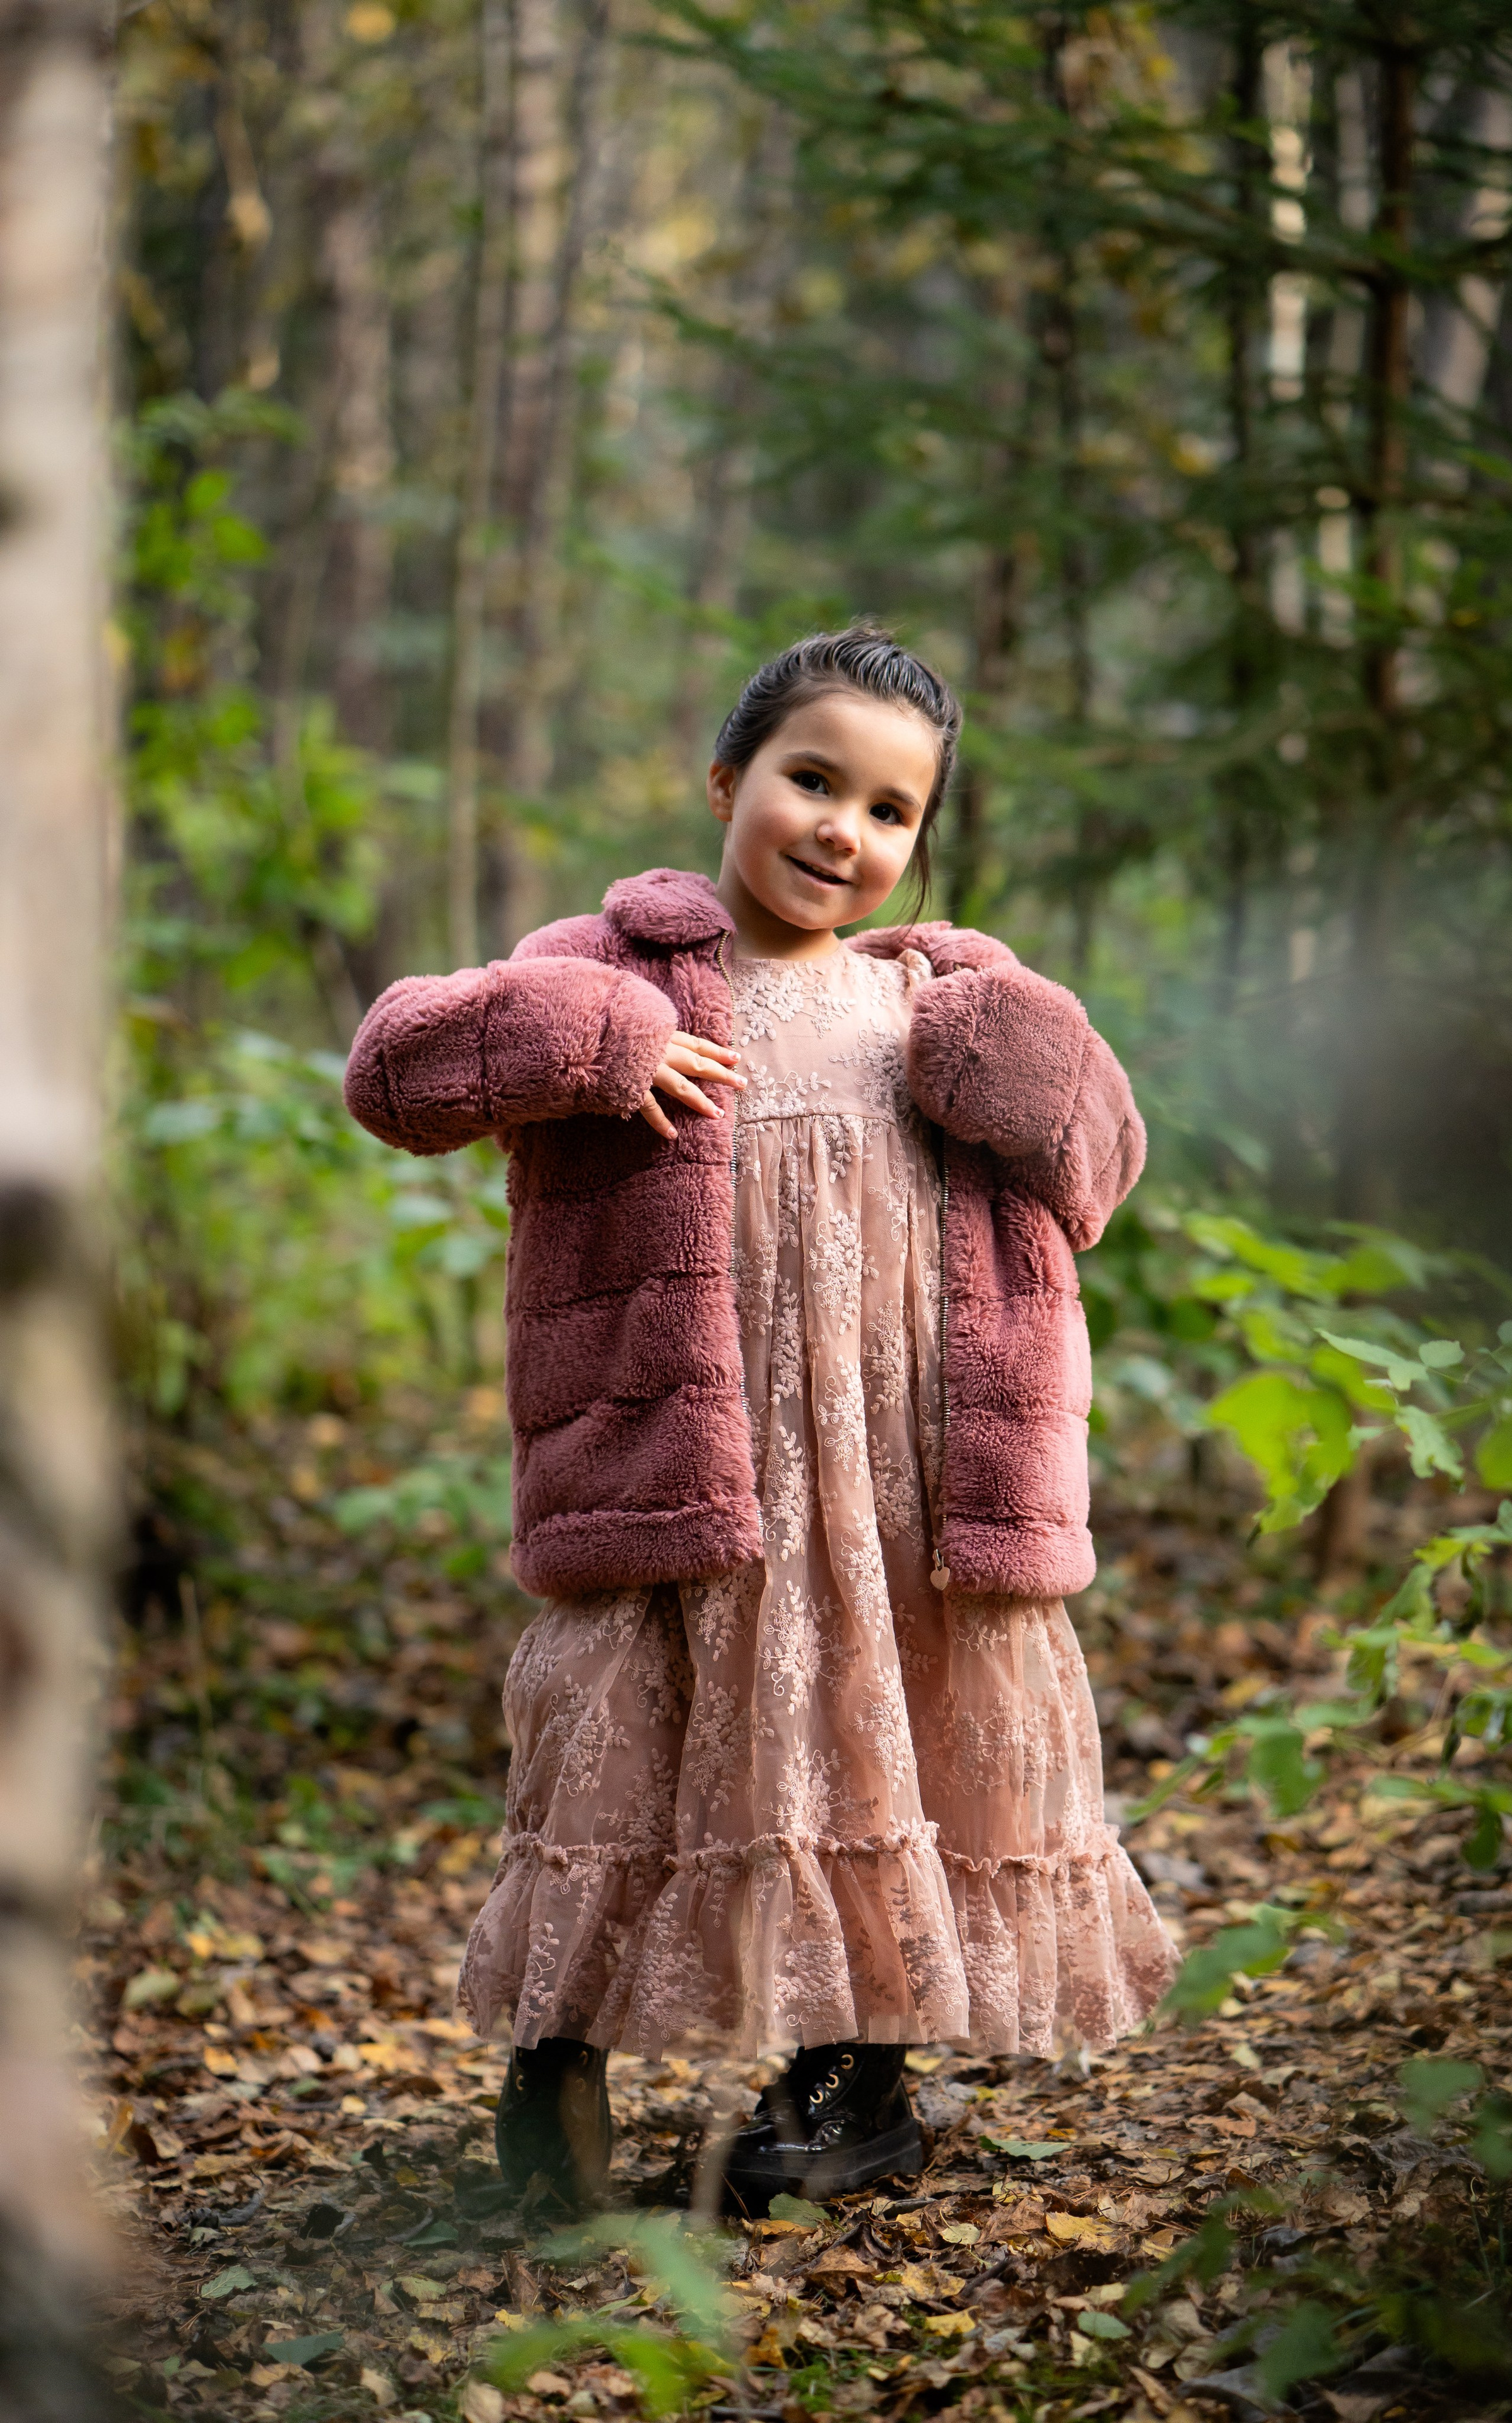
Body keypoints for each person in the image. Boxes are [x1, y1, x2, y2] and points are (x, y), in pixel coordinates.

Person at [343, 625, 1177, 2216]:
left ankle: (856, 2080)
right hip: (680, 1459)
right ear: (727, 780)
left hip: (910, 1474)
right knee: (614, 1733)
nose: (839, 832)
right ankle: (555, 2062)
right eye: (810, 780)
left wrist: (1018, 1062)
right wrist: (596, 1044)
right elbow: (397, 1071)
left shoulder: (943, 991)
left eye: (886, 811)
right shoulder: (610, 967)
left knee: (897, 1743)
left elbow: (1101, 1170)